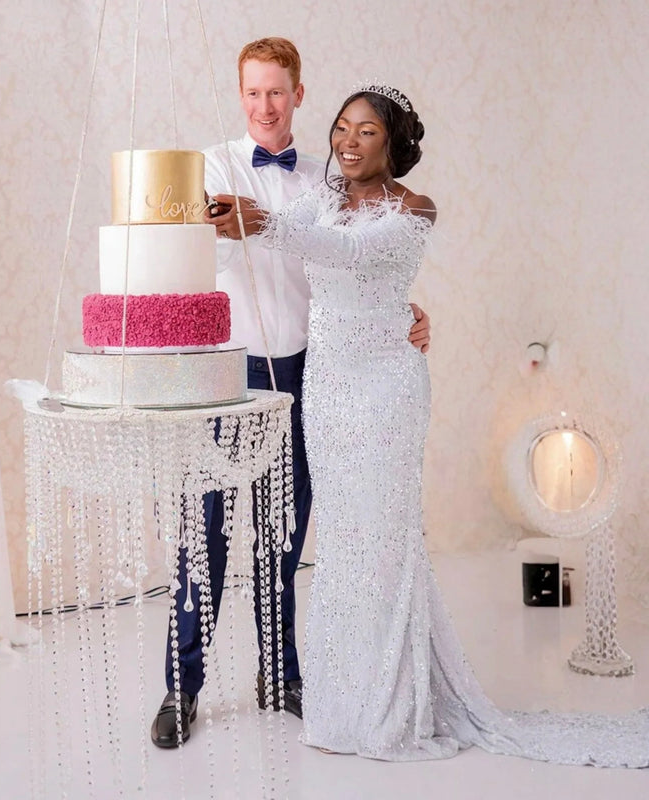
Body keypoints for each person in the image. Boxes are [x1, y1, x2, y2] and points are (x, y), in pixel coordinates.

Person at [209, 84, 649, 766]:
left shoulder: (416, 209)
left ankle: (394, 710)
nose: (348, 143)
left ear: (394, 144)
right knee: (343, 549)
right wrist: (242, 222)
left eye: (366, 133)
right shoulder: (319, 197)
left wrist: (264, 224)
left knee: (385, 543)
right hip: (327, 390)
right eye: (342, 129)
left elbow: (348, 254)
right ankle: (340, 706)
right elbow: (294, 241)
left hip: (388, 389)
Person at [150, 39, 432, 749]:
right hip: (225, 373)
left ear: (299, 95)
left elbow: (358, 262)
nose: (264, 106)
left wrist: (408, 310)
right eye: (252, 93)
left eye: (276, 92)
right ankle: (181, 692)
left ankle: (281, 676)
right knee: (204, 538)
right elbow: (187, 250)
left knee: (282, 538)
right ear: (239, 95)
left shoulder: (327, 181)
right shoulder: (212, 166)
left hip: (308, 374)